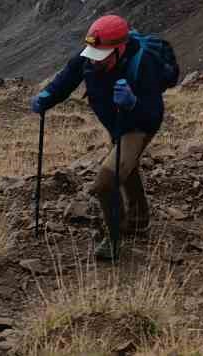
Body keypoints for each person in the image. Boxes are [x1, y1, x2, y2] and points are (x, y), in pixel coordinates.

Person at [32, 13, 171, 261]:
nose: (95, 63)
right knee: (125, 166)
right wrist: (47, 97)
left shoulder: (144, 63)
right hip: (115, 124)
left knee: (106, 182)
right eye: (93, 56)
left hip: (138, 125)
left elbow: (151, 113)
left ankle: (113, 239)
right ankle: (139, 220)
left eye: (102, 58)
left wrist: (132, 104)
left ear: (121, 49)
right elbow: (67, 78)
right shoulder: (90, 56)